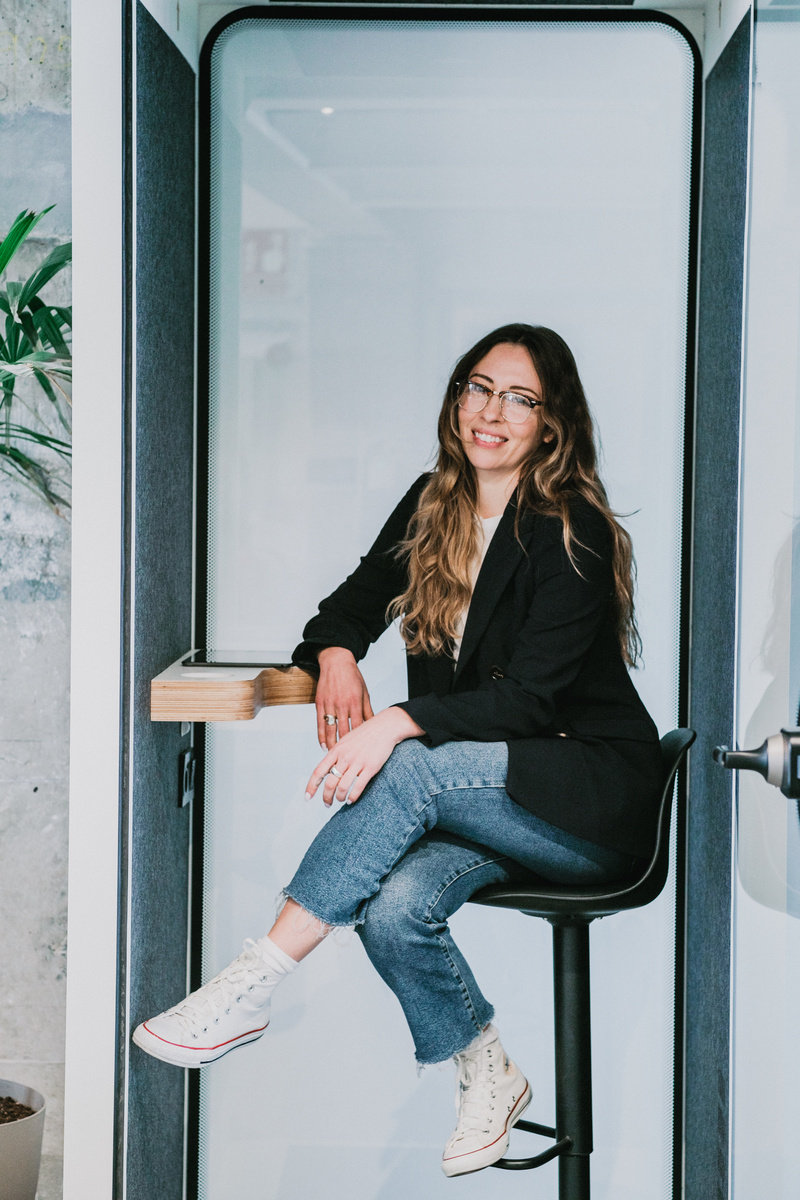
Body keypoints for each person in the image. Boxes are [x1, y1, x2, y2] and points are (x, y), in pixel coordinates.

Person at [133, 323, 661, 1177]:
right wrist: (340, 657)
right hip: (485, 793)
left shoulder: (573, 530)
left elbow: (528, 701)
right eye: (478, 387)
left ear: (551, 423)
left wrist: (396, 721)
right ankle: (487, 1072)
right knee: (389, 909)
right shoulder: (433, 503)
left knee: (408, 763)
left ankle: (253, 981)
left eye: (519, 399)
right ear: (457, 395)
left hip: (584, 800)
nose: (491, 412)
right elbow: (347, 606)